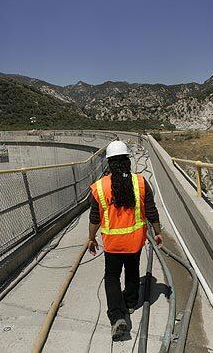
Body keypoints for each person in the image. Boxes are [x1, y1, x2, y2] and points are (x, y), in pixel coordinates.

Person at [88, 140, 163, 340]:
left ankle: (117, 316)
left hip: (113, 243)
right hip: (134, 241)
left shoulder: (100, 187)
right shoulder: (140, 182)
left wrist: (91, 238)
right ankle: (130, 303)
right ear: (128, 161)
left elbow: (95, 217)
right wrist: (157, 232)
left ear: (109, 163)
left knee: (112, 277)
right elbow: (151, 211)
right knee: (132, 269)